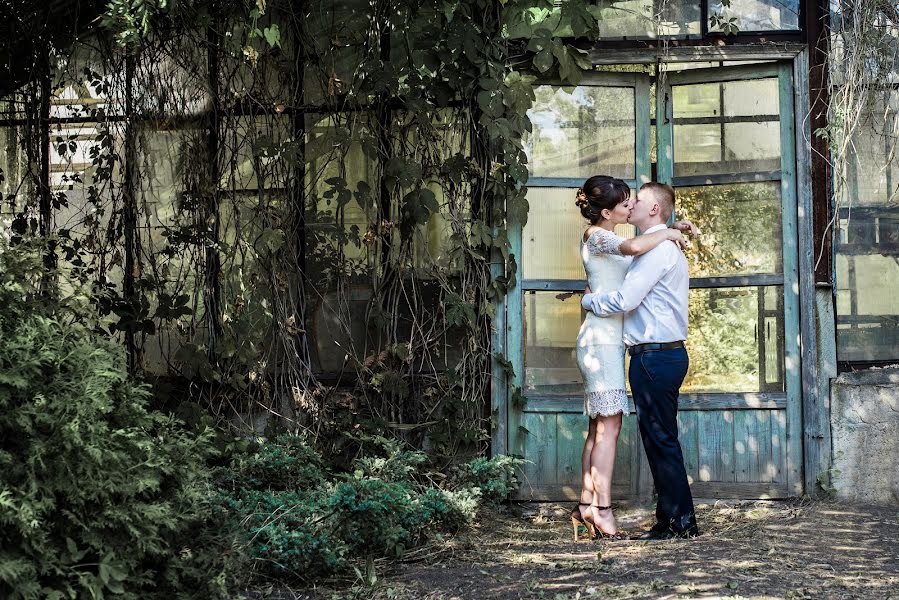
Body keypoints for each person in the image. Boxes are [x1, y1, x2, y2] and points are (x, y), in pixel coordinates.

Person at [570, 176, 694, 541]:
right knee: (610, 429)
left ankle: (674, 520)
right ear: (607, 211)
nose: (631, 205)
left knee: (634, 433)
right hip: (614, 345)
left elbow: (624, 299)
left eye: (636, 200)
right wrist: (670, 230)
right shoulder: (615, 240)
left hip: (650, 353)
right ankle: (598, 508)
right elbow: (632, 250)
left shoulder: (653, 248)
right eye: (625, 201)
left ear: (653, 208)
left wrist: (588, 299)